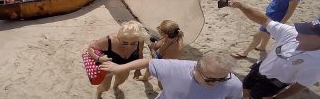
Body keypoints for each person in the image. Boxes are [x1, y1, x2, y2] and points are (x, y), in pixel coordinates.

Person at [226, 0, 320, 99]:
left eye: (306, 32)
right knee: (243, 92)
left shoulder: (316, 62)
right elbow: (264, 20)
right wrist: (241, 6)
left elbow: (301, 84)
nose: (299, 32)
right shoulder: (291, 33)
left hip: (272, 84)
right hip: (259, 69)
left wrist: (278, 98)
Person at [100, 52, 242, 99]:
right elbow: (148, 62)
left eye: (223, 78)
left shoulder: (234, 84)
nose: (217, 83)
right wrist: (120, 68)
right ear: (196, 69)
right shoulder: (175, 68)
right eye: (210, 79)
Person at [231, 0, 302, 59]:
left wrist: (281, 24)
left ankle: (245, 52)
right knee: (266, 33)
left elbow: (290, 12)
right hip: (270, 13)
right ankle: (262, 47)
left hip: (277, 17)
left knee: (258, 35)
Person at [87, 20, 148, 99]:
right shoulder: (109, 40)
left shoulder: (140, 40)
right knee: (105, 87)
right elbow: (91, 48)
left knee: (120, 81)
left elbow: (140, 53)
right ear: (119, 37)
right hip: (108, 67)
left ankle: (115, 87)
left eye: (133, 43)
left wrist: (138, 70)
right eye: (124, 43)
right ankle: (99, 93)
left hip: (125, 66)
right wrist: (99, 58)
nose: (129, 46)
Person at [136, 20, 184, 84]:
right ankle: (145, 78)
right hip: (165, 57)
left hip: (166, 67)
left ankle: (146, 78)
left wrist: (152, 49)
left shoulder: (171, 49)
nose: (158, 29)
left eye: (160, 30)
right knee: (149, 67)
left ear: (166, 34)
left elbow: (158, 62)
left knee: (160, 83)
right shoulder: (177, 36)